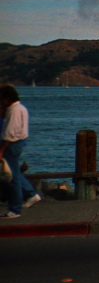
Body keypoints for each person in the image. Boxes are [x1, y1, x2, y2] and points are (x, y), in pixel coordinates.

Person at [2, 84, 39, 218]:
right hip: (17, 143)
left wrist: (1, 149)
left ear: (7, 98)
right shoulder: (20, 108)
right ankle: (30, 193)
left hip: (11, 144)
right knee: (15, 173)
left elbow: (10, 133)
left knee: (12, 178)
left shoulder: (14, 111)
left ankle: (15, 208)